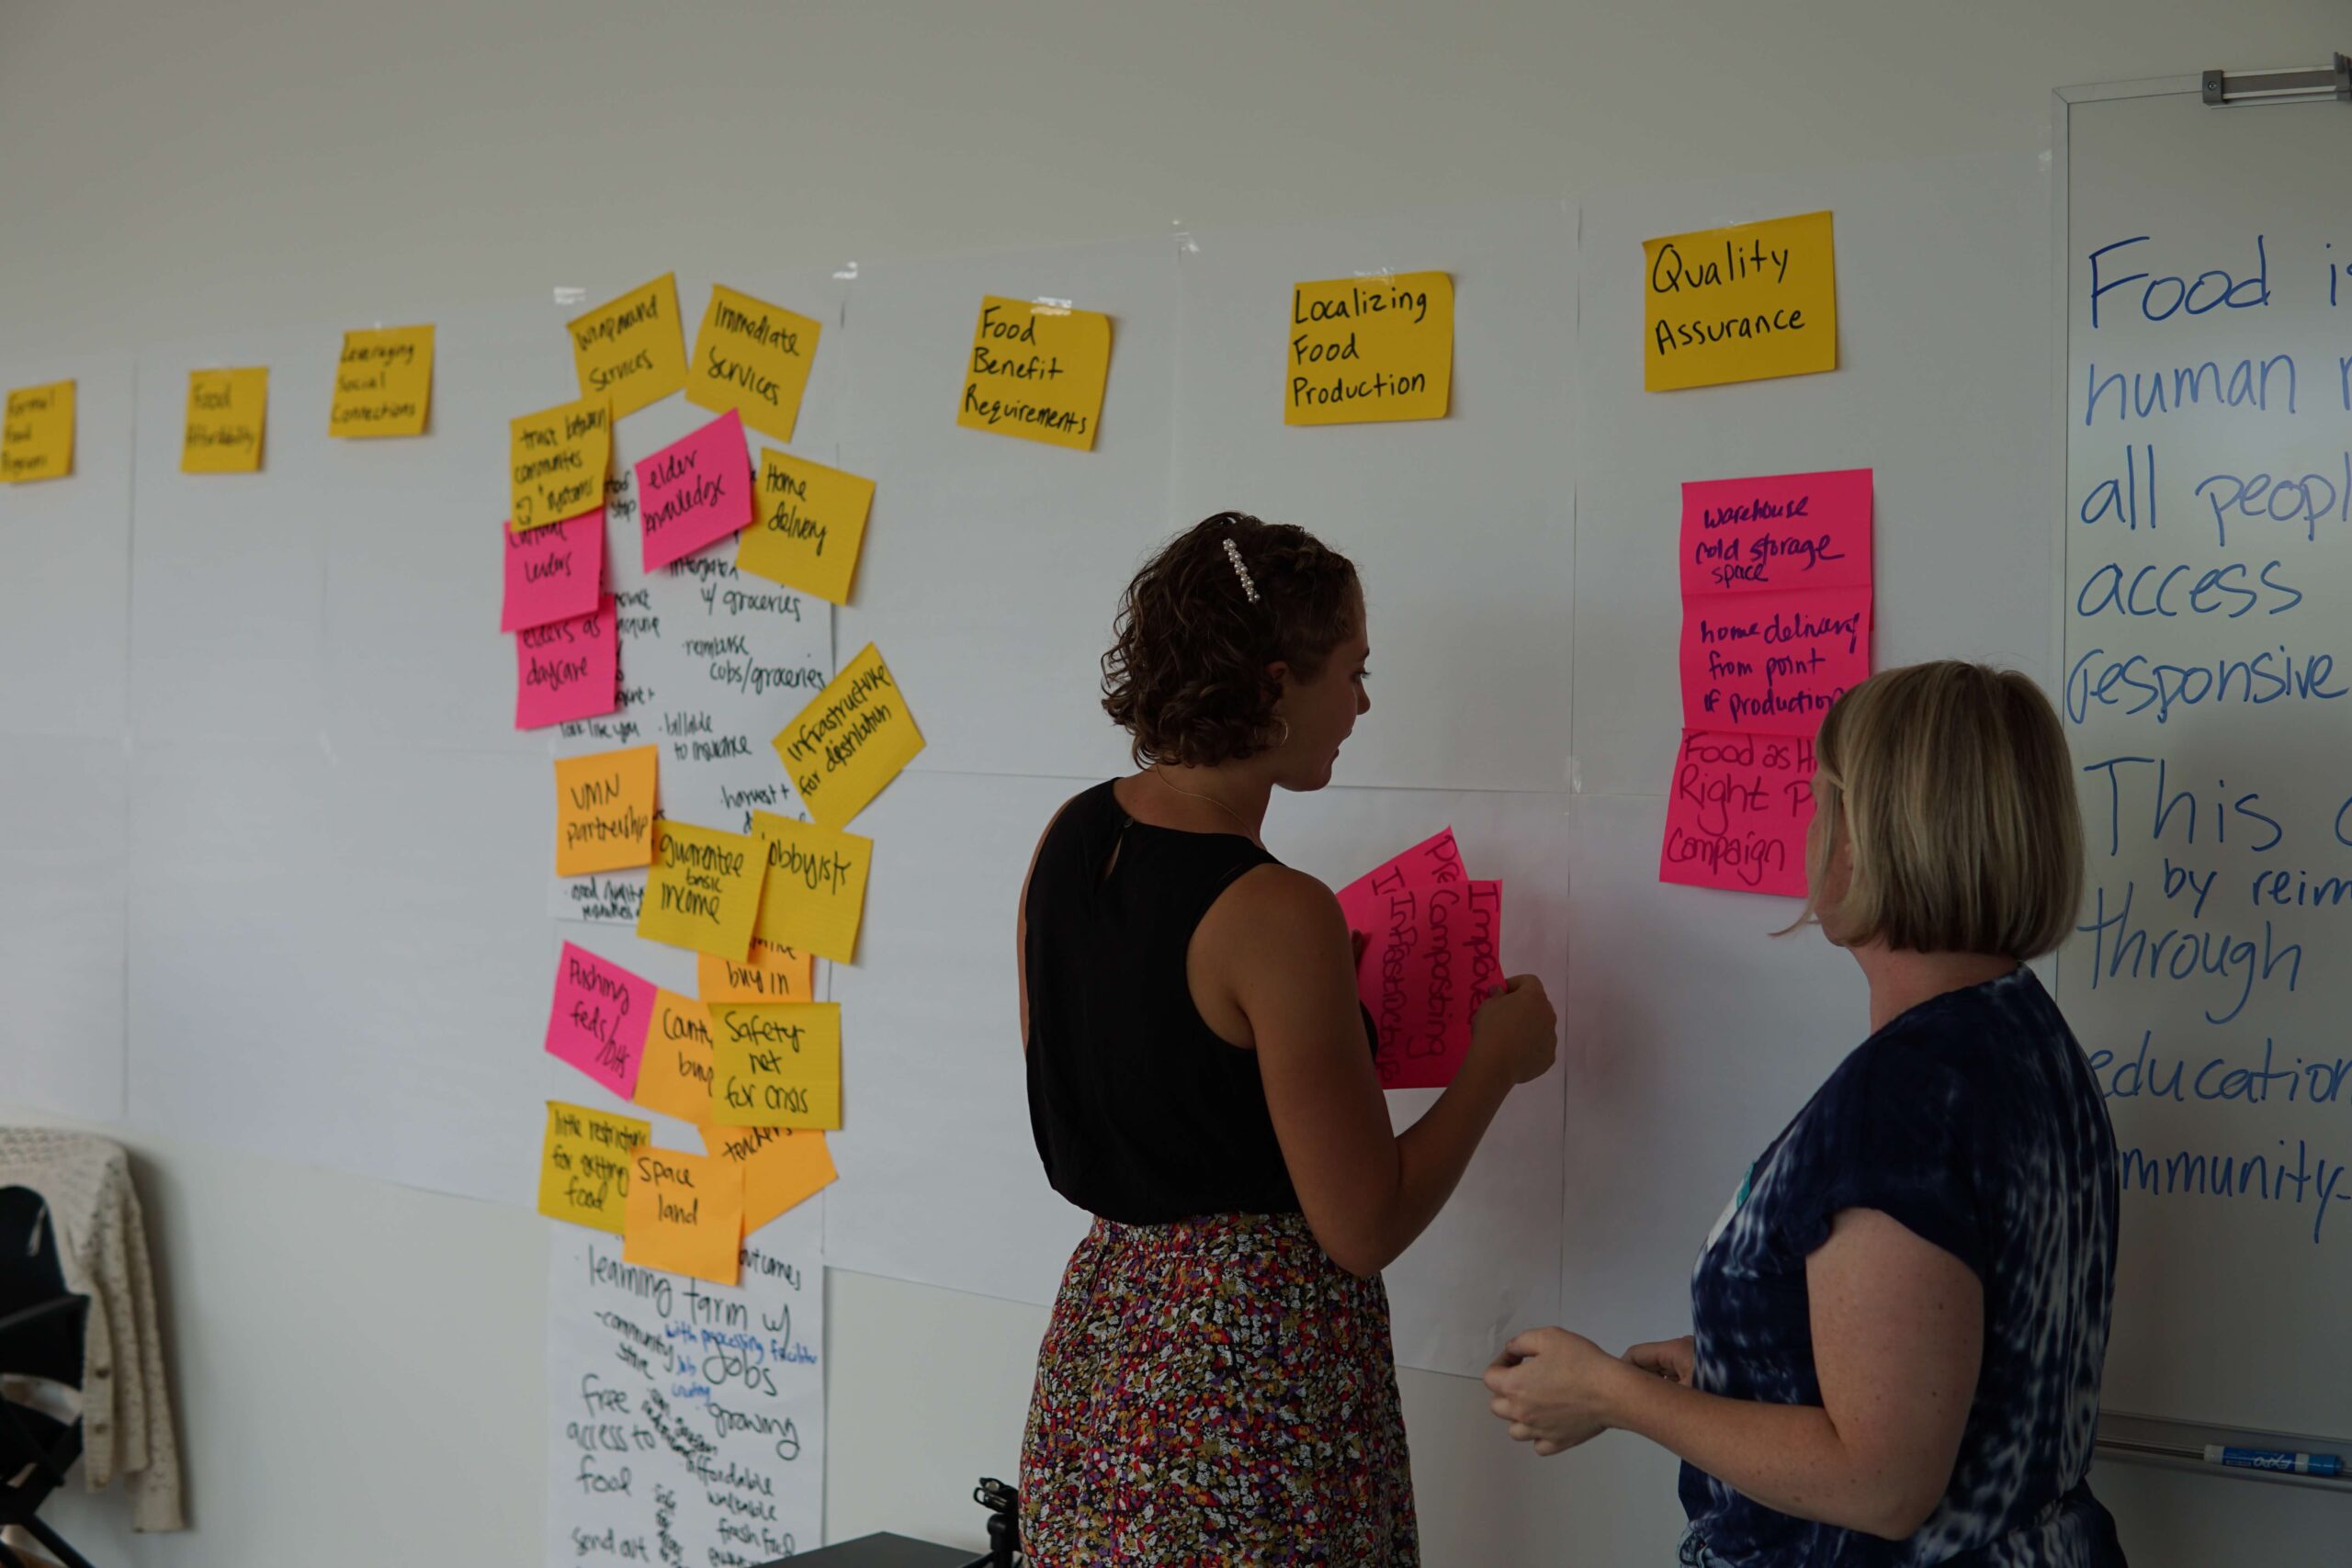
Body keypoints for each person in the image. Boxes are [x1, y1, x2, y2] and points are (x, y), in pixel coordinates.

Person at [1485, 661, 2127, 1566]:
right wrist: (1741, 1362)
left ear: (1875, 838)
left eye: (1823, 802)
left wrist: (1610, 1396)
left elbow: (1882, 1483)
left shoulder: (1905, 1096)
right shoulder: (2022, 1037)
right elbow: (1971, 1368)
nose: (1808, 829)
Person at [1016, 512, 1558, 1567]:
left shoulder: (1071, 837)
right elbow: (1363, 1225)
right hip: (1249, 1382)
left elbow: (1126, 1075)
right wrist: (1497, 1060)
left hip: (1103, 1348)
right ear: (1272, 686)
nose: (1361, 703)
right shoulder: (1275, 912)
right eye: (1352, 672)